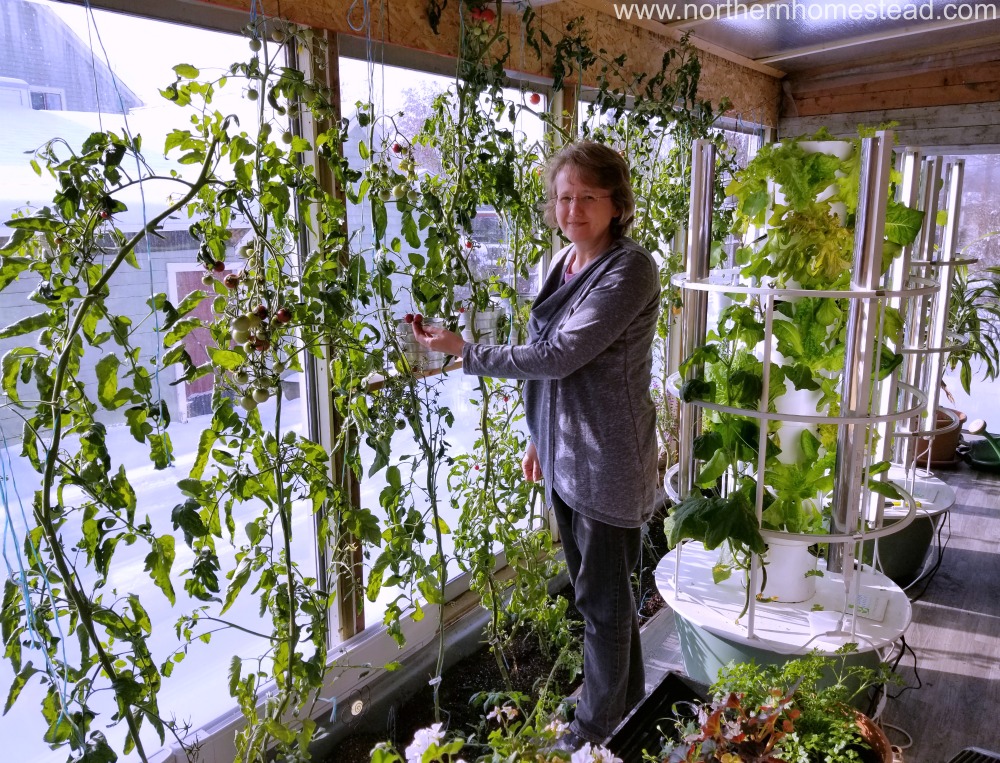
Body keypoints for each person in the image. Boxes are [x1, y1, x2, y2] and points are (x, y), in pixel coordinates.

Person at [411, 140, 660, 748]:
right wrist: (539, 438)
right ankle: (624, 709)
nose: (572, 209)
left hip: (607, 460)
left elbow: (559, 354)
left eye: (587, 197)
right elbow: (554, 365)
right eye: (563, 197)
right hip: (567, 454)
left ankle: (593, 733)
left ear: (616, 204)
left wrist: (462, 352)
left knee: (601, 607)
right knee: (602, 600)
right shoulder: (562, 261)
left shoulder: (629, 270)